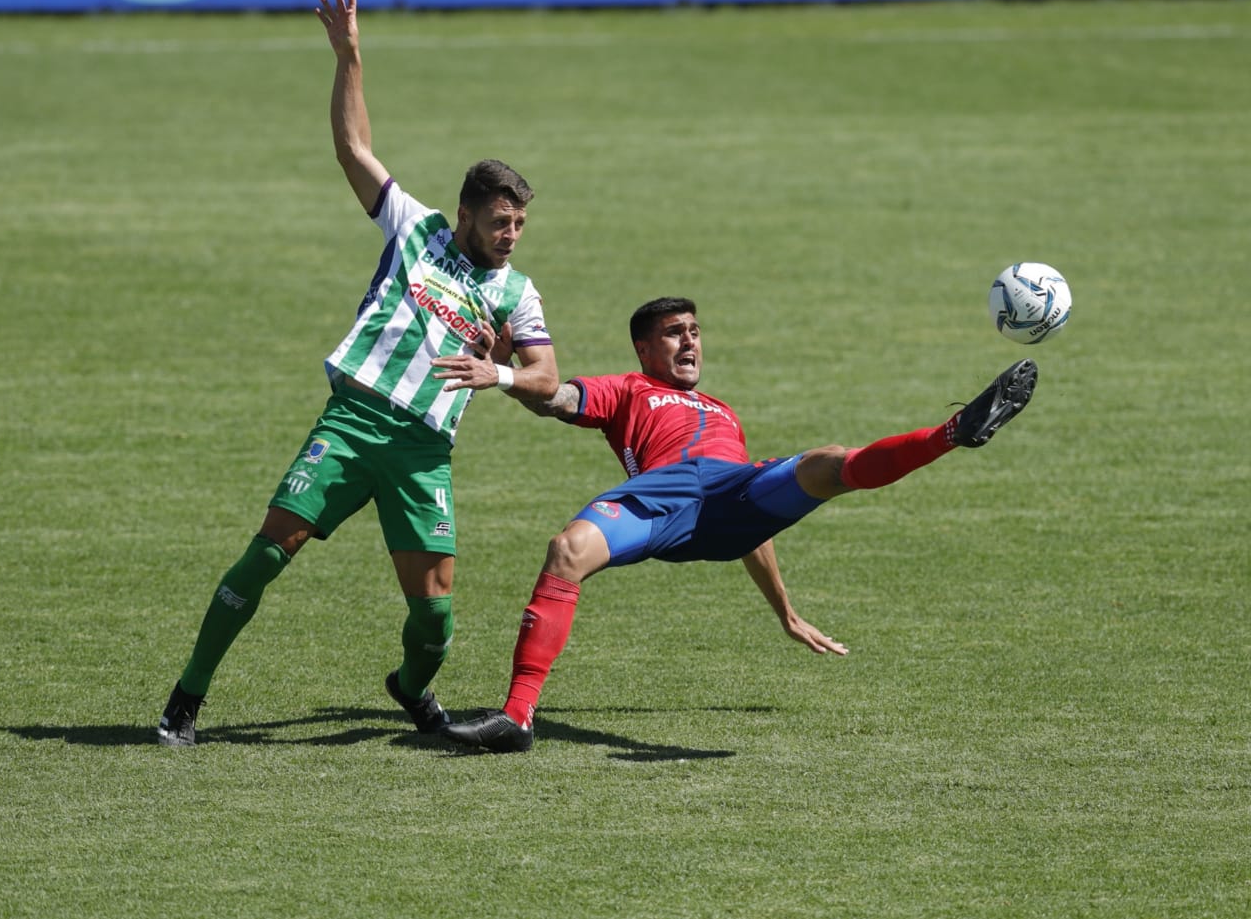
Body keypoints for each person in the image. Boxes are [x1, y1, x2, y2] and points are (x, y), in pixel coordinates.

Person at [156, 0, 559, 746]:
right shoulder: (416, 228)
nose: (512, 234)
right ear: (466, 212)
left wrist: (498, 375)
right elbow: (354, 147)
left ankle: (410, 688)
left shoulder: (517, 292)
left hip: (422, 451)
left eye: (522, 223)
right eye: (501, 221)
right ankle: (186, 697)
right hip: (353, 420)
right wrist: (350, 57)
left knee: (436, 614)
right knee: (270, 550)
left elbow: (546, 378)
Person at [442, 296, 1037, 753]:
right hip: (662, 498)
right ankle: (517, 718)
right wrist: (504, 372)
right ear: (644, 350)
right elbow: (557, 399)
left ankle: (952, 433)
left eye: (695, 332)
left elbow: (759, 524)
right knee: (567, 550)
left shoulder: (725, 412)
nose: (690, 342)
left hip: (734, 494)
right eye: (675, 333)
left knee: (829, 461)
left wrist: (785, 610)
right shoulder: (625, 389)